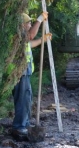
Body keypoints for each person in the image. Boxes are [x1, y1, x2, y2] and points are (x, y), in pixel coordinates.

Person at [12, 11, 50, 140]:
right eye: (28, 23)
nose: (29, 25)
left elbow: (29, 43)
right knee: (23, 99)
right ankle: (19, 126)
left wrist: (42, 40)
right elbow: (30, 36)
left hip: (25, 72)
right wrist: (39, 20)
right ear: (22, 25)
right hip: (20, 72)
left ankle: (24, 124)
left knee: (26, 99)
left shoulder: (22, 38)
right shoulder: (18, 36)